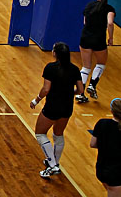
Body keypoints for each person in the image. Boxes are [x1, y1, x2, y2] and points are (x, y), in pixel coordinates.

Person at [30, 42, 84, 178]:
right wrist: (70, 93)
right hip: (67, 107)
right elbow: (81, 90)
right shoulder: (75, 69)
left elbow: (46, 89)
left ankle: (52, 165)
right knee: (58, 135)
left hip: (52, 106)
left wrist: (36, 100)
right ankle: (55, 163)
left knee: (40, 134)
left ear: (55, 54)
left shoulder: (50, 68)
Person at [77, 0, 115, 104]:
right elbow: (110, 23)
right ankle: (92, 85)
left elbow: (85, 22)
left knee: (85, 67)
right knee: (101, 63)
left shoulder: (89, 6)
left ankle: (80, 94)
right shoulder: (109, 9)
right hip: (98, 39)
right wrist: (111, 38)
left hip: (85, 38)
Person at [90, 97, 121, 195]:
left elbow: (93, 144)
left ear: (111, 111)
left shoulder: (102, 123)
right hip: (117, 173)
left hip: (102, 169)